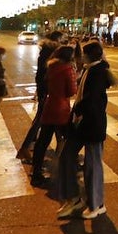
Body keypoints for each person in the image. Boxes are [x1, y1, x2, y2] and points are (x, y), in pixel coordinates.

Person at [55, 40, 115, 220]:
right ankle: (73, 197)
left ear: (87, 55)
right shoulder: (92, 70)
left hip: (92, 124)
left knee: (93, 165)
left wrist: (78, 112)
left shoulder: (97, 73)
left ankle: (96, 204)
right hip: (82, 123)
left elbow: (91, 101)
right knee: (66, 156)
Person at [30, 44, 77, 187]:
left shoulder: (52, 67)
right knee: (70, 139)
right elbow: (71, 91)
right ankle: (66, 170)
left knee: (43, 141)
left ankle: (36, 171)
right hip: (61, 108)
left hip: (50, 105)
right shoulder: (68, 69)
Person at [18, 32, 62, 160]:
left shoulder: (46, 51)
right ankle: (25, 148)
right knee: (41, 120)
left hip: (45, 89)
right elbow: (49, 73)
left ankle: (58, 147)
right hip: (49, 91)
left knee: (45, 120)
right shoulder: (52, 53)